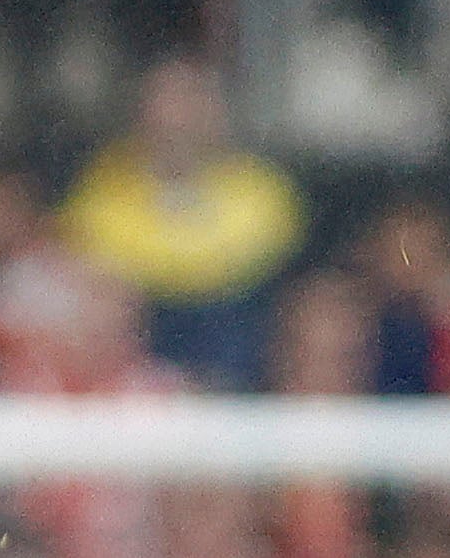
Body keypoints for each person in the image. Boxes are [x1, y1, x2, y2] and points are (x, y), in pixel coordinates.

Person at [56, 54, 303, 390]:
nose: (178, 120)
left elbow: (248, 260)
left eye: (192, 100)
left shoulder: (265, 192)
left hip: (241, 358)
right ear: (141, 114)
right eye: (166, 102)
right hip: (139, 359)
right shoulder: (99, 191)